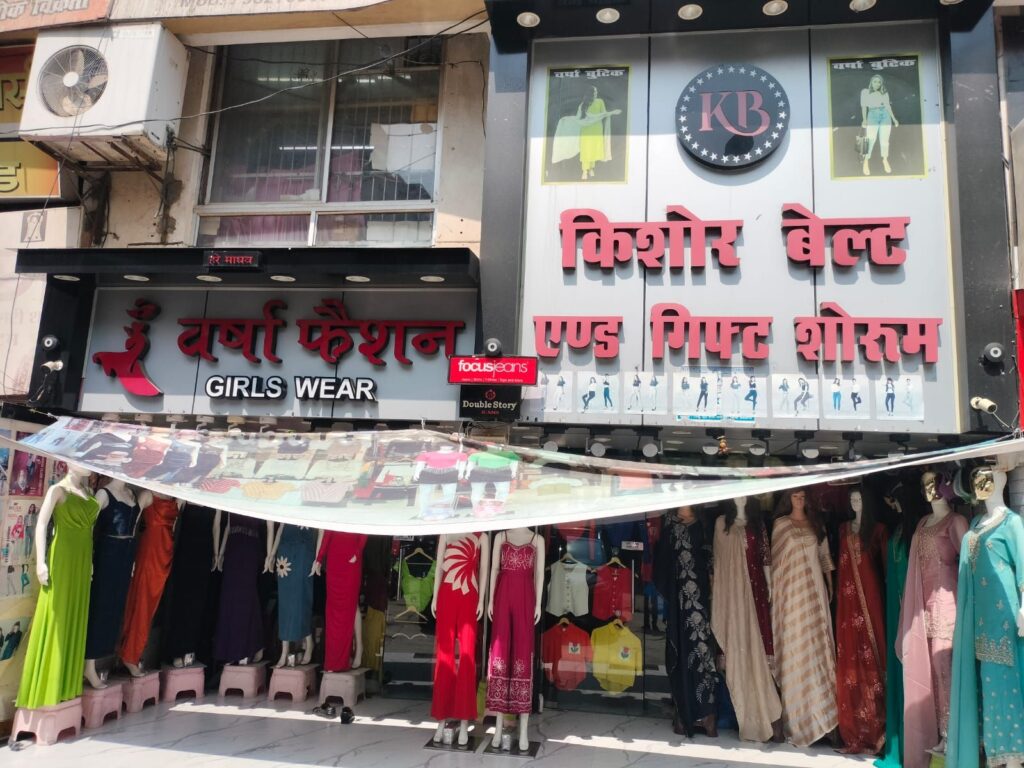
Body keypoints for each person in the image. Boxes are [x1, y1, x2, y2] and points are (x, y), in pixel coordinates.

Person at [551, 85, 623, 181]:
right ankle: (584, 171)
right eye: (594, 92)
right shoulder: (583, 104)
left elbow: (603, 114)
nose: (596, 93)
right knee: (586, 150)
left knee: (593, 149)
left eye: (596, 92)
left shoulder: (600, 102)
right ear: (590, 93)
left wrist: (611, 113)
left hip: (597, 130)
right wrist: (568, 119)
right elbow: (579, 118)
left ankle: (591, 168)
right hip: (586, 130)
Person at [861, 73, 899, 176]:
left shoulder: (884, 93)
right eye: (875, 81)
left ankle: (885, 159)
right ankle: (866, 161)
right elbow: (864, 107)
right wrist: (864, 120)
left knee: (884, 140)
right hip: (872, 115)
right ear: (871, 82)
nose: (877, 84)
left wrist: (894, 119)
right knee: (870, 139)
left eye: (879, 82)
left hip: (885, 115)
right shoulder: (865, 92)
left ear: (881, 84)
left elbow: (887, 106)